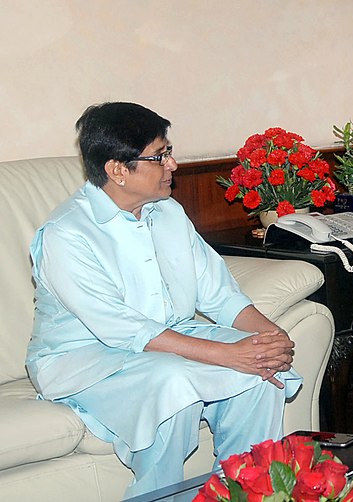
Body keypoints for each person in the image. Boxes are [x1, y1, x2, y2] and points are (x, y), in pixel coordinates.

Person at [26, 102, 303, 497]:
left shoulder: (168, 212)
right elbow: (122, 329)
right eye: (160, 156)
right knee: (172, 382)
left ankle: (245, 492)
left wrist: (273, 337)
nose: (172, 165)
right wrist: (227, 354)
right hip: (84, 357)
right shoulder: (65, 234)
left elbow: (219, 294)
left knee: (260, 372)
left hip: (167, 339)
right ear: (117, 170)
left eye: (168, 152)